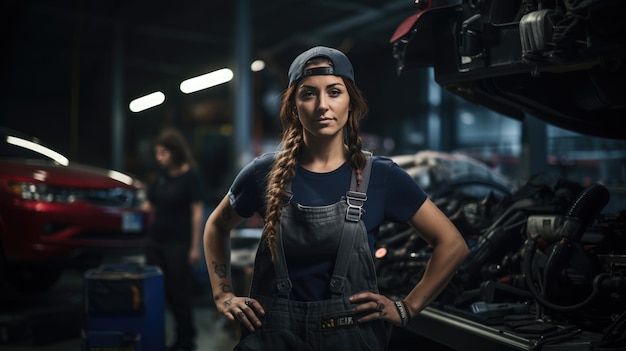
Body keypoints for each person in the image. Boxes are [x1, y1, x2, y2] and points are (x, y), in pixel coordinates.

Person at [203, 46, 469, 350]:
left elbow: (453, 245)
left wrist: (407, 308)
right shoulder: (262, 172)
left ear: (351, 103)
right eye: (308, 94)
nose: (321, 106)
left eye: (334, 92)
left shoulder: (381, 177)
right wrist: (223, 294)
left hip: (350, 338)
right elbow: (216, 227)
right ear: (293, 107)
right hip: (274, 338)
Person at [142, 127, 205, 351]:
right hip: (156, 242)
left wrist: (195, 247)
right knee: (157, 293)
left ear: (175, 152)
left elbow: (197, 212)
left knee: (179, 295)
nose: (159, 158)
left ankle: (186, 341)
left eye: (163, 153)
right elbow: (149, 204)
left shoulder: (191, 176)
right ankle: (154, 339)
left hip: (179, 244)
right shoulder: (160, 177)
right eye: (157, 153)